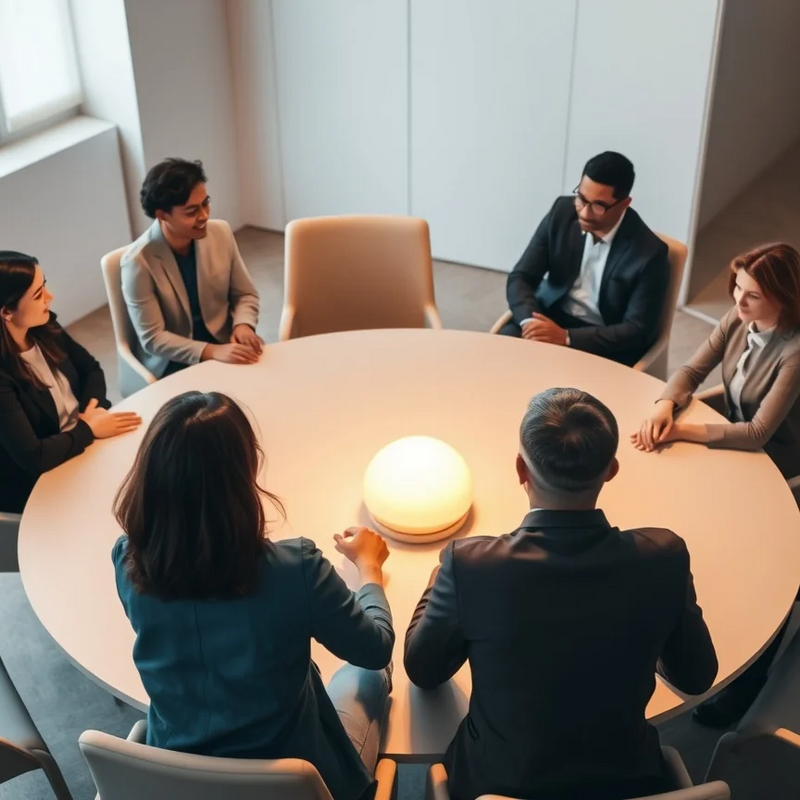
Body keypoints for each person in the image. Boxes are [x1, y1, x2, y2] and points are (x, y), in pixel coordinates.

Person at [404, 388, 717, 800]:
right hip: (627, 783)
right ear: (613, 469)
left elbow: (423, 671)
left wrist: (438, 577)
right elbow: (696, 677)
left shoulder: (470, 565)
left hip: (499, 785)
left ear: (521, 468)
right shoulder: (663, 556)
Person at [112, 391, 394, 800]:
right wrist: (369, 570)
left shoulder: (127, 557)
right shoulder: (295, 568)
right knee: (366, 674)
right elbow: (375, 648)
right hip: (294, 783)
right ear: (247, 470)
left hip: (177, 778)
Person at [633, 242, 800, 728]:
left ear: (784, 301)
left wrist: (682, 428)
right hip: (739, 450)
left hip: (781, 469)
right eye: (737, 289)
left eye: (751, 295)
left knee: (771, 574)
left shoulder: (794, 352)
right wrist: (666, 404)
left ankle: (748, 682)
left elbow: (758, 433)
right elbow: (691, 370)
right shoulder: (740, 318)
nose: (738, 301)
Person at [0, 251, 141, 513]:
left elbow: (92, 370)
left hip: (81, 444)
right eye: (38, 294)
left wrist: (91, 413)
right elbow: (34, 457)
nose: (49, 297)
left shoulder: (44, 327)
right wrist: (88, 429)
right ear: (7, 311)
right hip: (42, 483)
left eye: (44, 285)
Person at [501, 152, 669, 366]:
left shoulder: (649, 253)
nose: (584, 213)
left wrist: (566, 337)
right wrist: (530, 322)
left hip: (601, 342)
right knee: (500, 357)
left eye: (598, 205)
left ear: (625, 203)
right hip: (549, 315)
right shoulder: (562, 212)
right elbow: (521, 276)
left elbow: (637, 330)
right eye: (581, 198)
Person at [121, 158, 262, 378]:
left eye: (205, 203)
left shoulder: (221, 233)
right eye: (191, 212)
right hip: (173, 361)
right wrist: (212, 351)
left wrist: (243, 325)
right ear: (162, 215)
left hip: (224, 341)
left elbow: (245, 294)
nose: (204, 216)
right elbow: (153, 337)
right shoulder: (137, 262)